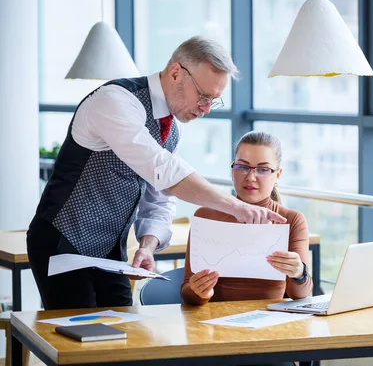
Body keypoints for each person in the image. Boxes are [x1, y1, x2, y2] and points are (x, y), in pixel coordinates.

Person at [27, 37, 286, 310]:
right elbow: (162, 169)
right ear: (176, 73)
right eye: (203, 96)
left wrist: (147, 245)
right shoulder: (114, 100)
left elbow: (159, 197)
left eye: (214, 100)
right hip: (61, 240)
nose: (206, 109)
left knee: (125, 334)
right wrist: (235, 206)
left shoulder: (172, 130)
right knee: (82, 339)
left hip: (108, 250)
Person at [181, 131, 313, 306]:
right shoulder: (206, 216)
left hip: (270, 324)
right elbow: (187, 292)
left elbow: (300, 295)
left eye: (263, 169)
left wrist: (299, 273)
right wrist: (200, 293)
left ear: (278, 175)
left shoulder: (291, 220)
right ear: (232, 169)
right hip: (214, 325)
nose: (250, 177)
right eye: (242, 167)